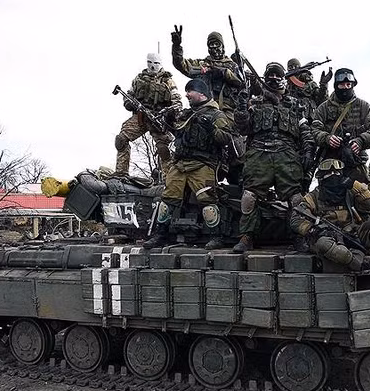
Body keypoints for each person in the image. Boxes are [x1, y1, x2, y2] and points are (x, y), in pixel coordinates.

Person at [143, 79, 237, 250]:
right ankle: (160, 235)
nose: (186, 95)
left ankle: (216, 236)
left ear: (201, 93)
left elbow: (226, 138)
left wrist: (210, 128)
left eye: (189, 91)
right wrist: (169, 122)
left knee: (208, 201)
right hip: (180, 164)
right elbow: (178, 134)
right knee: (167, 200)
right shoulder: (186, 114)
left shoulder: (216, 115)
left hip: (203, 164)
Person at [290, 159, 370, 285]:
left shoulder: (349, 192)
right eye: (329, 174)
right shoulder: (312, 197)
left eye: (337, 173)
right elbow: (296, 219)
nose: (333, 177)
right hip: (328, 238)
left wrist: (354, 185)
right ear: (321, 178)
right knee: (323, 244)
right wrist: (313, 229)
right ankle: (364, 263)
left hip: (353, 234)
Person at [232, 62, 306, 253]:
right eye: (270, 75)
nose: (273, 79)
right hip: (259, 153)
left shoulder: (295, 104)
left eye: (277, 75)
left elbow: (305, 131)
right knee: (249, 196)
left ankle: (299, 235)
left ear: (283, 79)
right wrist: (241, 107)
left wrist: (308, 152)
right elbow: (242, 128)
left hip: (287, 154)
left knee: (296, 198)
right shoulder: (255, 102)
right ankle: (247, 236)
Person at [309, 68, 370, 189]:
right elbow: (314, 129)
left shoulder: (363, 106)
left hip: (356, 162)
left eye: (348, 84)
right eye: (342, 85)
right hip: (330, 165)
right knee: (328, 196)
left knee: (366, 196)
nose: (346, 88)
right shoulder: (323, 108)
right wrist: (327, 138)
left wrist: (361, 141)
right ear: (336, 86)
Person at [114, 53, 181, 176]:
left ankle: (169, 178)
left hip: (159, 118)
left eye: (156, 63)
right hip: (141, 116)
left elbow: (177, 102)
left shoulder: (168, 81)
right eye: (150, 62)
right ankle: (121, 173)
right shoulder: (139, 79)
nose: (153, 66)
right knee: (121, 139)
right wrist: (128, 103)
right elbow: (129, 95)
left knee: (163, 150)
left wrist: (169, 114)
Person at [171, 28, 245, 118]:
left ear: (222, 46)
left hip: (227, 110)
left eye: (217, 44)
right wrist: (177, 47)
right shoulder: (202, 64)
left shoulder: (232, 66)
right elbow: (182, 65)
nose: (214, 47)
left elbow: (241, 84)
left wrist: (224, 73)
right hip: (204, 108)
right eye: (211, 44)